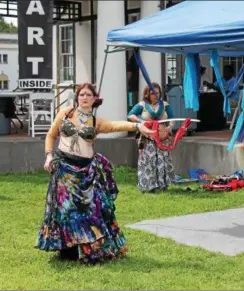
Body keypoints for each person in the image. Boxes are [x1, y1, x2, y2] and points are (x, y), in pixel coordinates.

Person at [35, 83, 154, 264]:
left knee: (90, 211)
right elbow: (51, 135)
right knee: (66, 210)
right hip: (64, 168)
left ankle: (91, 248)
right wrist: (49, 156)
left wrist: (138, 126)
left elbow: (115, 125)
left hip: (86, 172)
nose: (84, 97)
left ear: (94, 99)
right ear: (77, 97)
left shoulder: (95, 122)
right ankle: (68, 249)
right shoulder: (65, 113)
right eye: (81, 94)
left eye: (88, 95)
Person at [127, 82, 176, 193]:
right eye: (153, 93)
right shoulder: (142, 105)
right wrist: (141, 121)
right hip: (148, 138)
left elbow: (172, 118)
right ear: (147, 94)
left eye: (157, 93)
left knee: (162, 161)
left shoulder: (165, 105)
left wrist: (170, 127)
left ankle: (162, 185)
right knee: (148, 161)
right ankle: (148, 185)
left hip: (163, 138)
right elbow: (130, 115)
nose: (156, 95)